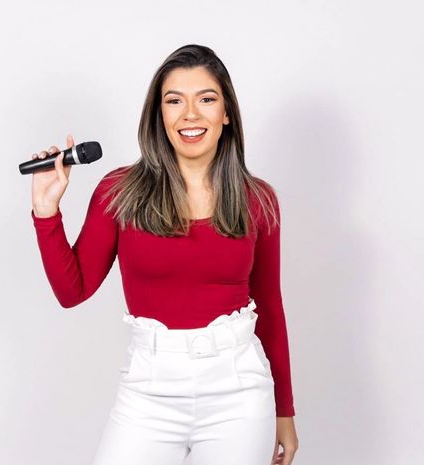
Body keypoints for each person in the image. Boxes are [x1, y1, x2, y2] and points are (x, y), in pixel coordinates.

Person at [29, 44, 298, 465]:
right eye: (174, 101)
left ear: (226, 112)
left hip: (239, 393)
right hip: (147, 392)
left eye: (206, 99)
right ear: (159, 115)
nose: (190, 114)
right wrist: (46, 211)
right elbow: (72, 291)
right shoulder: (120, 192)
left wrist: (285, 411)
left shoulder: (257, 200)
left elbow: (270, 306)